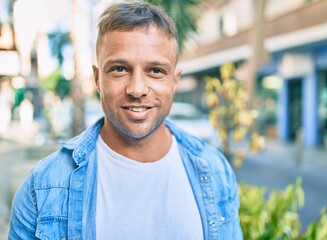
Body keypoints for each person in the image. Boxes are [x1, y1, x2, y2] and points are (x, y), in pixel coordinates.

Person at [8, 2, 243, 239]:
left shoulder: (214, 170)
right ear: (97, 79)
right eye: (120, 69)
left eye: (155, 71)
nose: (137, 89)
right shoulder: (44, 185)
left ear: (175, 81)